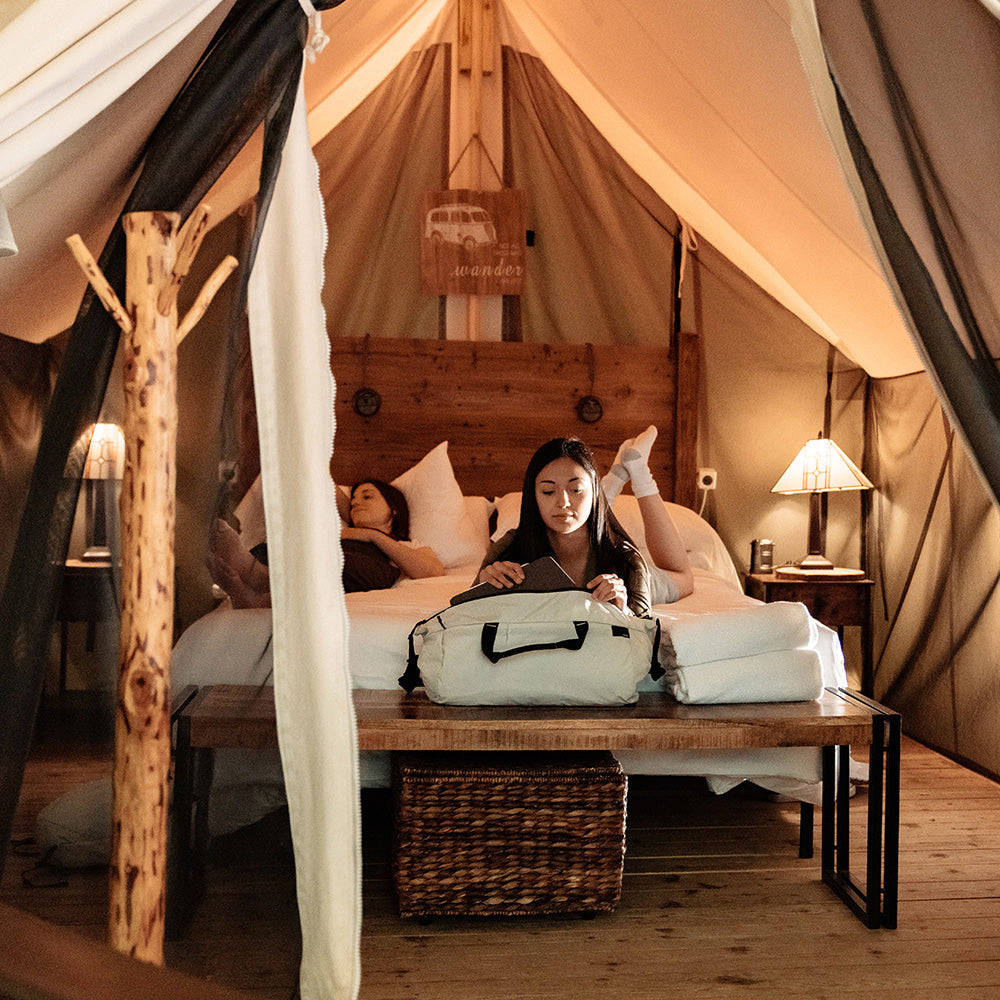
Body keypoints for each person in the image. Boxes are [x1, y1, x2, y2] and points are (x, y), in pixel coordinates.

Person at [477, 437, 652, 615]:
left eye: (576, 490)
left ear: (596, 492)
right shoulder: (509, 548)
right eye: (548, 491)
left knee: (680, 577)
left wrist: (623, 611)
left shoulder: (626, 560)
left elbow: (646, 632)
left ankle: (639, 476)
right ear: (533, 496)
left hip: (651, 577)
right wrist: (481, 586)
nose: (563, 502)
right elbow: (462, 619)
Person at [207, 479, 443, 608]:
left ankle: (257, 578)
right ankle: (254, 593)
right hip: (326, 555)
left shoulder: (408, 545)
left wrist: (372, 536)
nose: (356, 503)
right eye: (353, 500)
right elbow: (320, 476)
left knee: (338, 561)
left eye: (367, 496)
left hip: (365, 566)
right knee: (289, 547)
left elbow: (432, 571)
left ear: (393, 509)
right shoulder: (340, 532)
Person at [598, 424, 694, 603]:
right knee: (684, 578)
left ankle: (611, 486)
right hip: (617, 577)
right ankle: (637, 473)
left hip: (600, 570)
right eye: (549, 491)